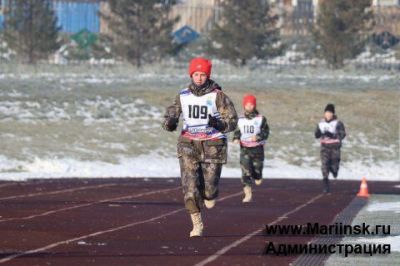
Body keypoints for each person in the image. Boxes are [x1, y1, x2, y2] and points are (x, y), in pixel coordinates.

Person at [162, 57, 238, 237]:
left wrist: (219, 124)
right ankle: (197, 223)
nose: (199, 78)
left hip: (213, 144)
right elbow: (168, 120)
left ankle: (211, 195)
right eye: (196, 74)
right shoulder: (182, 96)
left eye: (203, 74)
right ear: (191, 75)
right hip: (188, 144)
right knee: (190, 186)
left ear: (208, 75)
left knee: (209, 187)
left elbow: (232, 121)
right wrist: (171, 122)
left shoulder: (218, 96)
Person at [233, 94, 269, 203]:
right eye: (247, 104)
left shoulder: (261, 119)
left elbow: (266, 132)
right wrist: (236, 138)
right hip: (245, 149)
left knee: (257, 170)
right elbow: (237, 131)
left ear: (254, 105)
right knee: (245, 172)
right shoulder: (240, 119)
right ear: (244, 106)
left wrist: (258, 137)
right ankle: (247, 194)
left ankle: (258, 176)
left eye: (251, 104)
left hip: (257, 149)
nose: (249, 106)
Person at [314, 103, 346, 193]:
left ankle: (334, 171)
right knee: (324, 165)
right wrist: (319, 133)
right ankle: (325, 184)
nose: (328, 115)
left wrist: (332, 135)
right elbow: (316, 134)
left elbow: (342, 134)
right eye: (326, 113)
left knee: (334, 166)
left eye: (330, 113)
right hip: (325, 147)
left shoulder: (338, 123)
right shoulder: (321, 123)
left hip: (335, 147)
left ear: (333, 114)